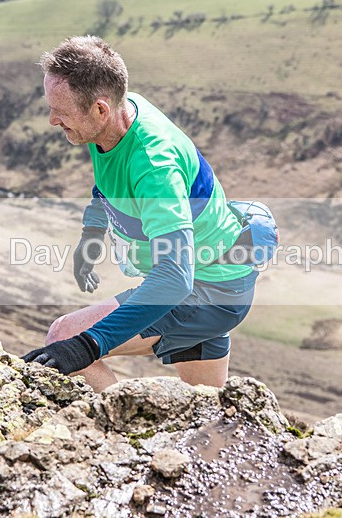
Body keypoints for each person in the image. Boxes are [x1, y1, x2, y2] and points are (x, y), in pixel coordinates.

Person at [21, 35, 258, 392]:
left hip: (202, 289)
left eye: (62, 112)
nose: (53, 119)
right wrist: (91, 235)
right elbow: (111, 183)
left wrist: (87, 346)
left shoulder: (154, 166)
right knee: (208, 410)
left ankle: (117, 435)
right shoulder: (118, 118)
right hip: (215, 279)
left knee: (65, 334)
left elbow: (175, 278)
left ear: (100, 109)